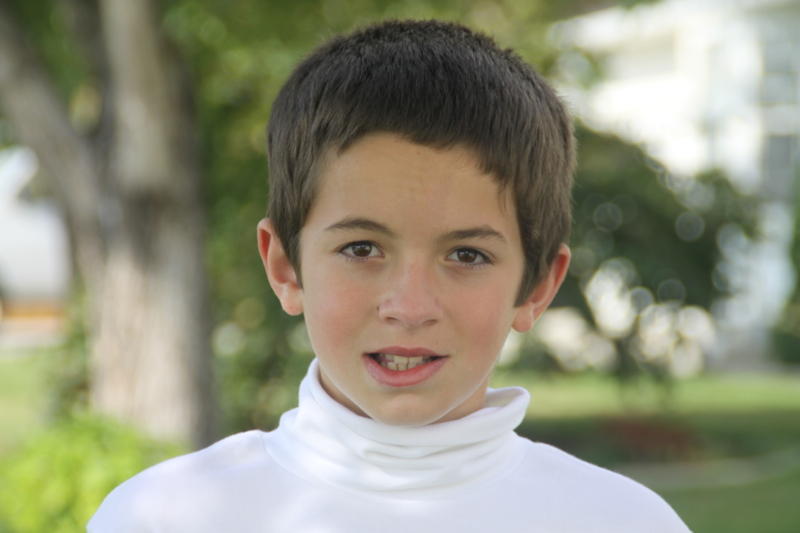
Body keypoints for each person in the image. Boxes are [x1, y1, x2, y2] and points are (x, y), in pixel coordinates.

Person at [88, 19, 691, 532]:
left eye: (467, 256)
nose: (409, 305)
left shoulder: (621, 522)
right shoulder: (162, 517)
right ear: (285, 267)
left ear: (536, 287)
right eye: (361, 248)